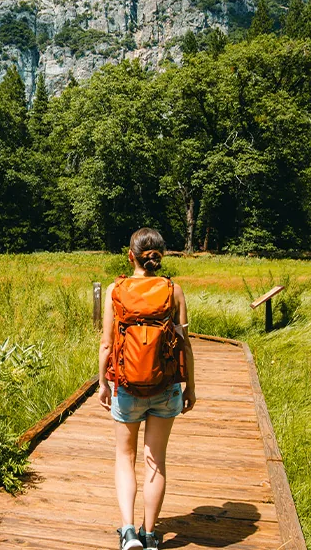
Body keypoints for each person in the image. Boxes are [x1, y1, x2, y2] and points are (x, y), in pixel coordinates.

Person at [98, 228, 196, 550]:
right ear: (160, 257)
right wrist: (189, 387)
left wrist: (103, 383)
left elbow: (106, 344)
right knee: (156, 459)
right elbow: (185, 345)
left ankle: (128, 533)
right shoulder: (174, 290)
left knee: (124, 458)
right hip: (166, 388)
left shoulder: (117, 289)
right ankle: (150, 535)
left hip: (127, 386)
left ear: (131, 256)